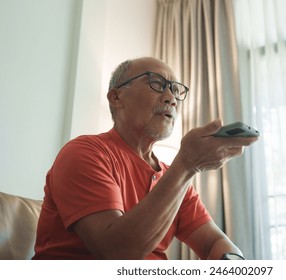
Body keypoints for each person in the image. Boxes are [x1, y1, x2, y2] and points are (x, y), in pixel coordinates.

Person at [32, 57, 258, 260]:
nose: (171, 98)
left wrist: (233, 265)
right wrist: (187, 165)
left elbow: (215, 243)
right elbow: (117, 253)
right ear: (116, 97)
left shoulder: (175, 178)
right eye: (157, 84)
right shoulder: (85, 153)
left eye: (175, 90)